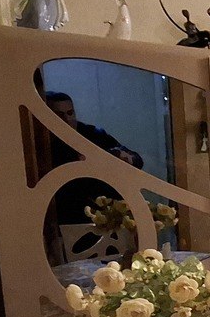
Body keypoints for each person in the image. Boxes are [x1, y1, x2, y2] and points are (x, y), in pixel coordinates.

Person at [43, 92, 146, 244]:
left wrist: (124, 158)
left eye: (70, 113)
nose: (66, 119)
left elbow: (136, 159)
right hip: (67, 219)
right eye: (59, 115)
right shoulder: (43, 143)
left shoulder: (91, 133)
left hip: (105, 216)